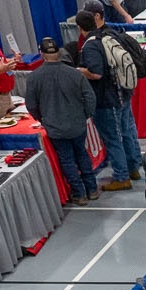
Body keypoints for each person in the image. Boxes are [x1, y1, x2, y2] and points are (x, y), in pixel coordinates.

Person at [23, 44, 99, 204]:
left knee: (67, 159)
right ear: (59, 53)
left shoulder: (34, 77)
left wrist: (42, 119)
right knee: (82, 153)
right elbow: (90, 97)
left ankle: (79, 194)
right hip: (77, 123)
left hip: (55, 127)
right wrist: (86, 114)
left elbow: (30, 105)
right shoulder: (75, 73)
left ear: (41, 54)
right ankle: (92, 189)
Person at [73, 8, 139, 192]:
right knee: (126, 131)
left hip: (106, 99)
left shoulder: (91, 45)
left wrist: (79, 71)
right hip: (122, 93)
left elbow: (96, 72)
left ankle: (121, 176)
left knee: (112, 138)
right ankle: (133, 167)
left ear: (79, 27)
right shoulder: (108, 35)